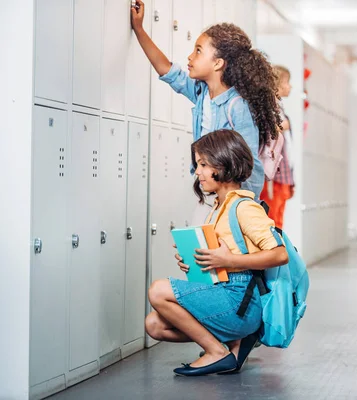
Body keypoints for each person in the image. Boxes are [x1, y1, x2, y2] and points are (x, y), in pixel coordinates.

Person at [144, 129, 288, 376]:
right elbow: (220, 258)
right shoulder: (218, 207)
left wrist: (228, 259)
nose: (197, 171)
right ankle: (233, 343)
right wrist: (195, 260)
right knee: (154, 325)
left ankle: (217, 352)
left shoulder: (244, 207)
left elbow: (279, 254)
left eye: (202, 164)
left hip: (238, 300)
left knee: (158, 290)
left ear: (224, 162)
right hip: (221, 289)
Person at [131, 1, 281, 215]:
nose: (190, 57)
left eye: (198, 51)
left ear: (218, 63)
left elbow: (251, 165)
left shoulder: (238, 106)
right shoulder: (202, 93)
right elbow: (167, 70)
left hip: (231, 200)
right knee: (196, 246)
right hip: (210, 192)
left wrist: (245, 208)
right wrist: (139, 30)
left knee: (207, 246)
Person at [260, 65, 294, 228]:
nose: (290, 87)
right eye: (287, 82)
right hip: (274, 174)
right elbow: (267, 130)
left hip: (282, 173)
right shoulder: (268, 107)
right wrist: (284, 125)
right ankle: (274, 251)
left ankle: (279, 251)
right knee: (272, 218)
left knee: (278, 217)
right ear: (277, 85)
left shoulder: (278, 107)